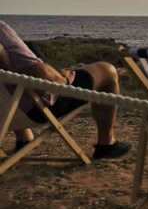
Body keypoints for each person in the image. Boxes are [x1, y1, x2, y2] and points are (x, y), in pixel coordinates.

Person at [0, 21, 132, 159]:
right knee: (107, 70)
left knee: (20, 59)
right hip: (35, 110)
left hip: (6, 115)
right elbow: (50, 80)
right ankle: (107, 144)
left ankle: (24, 138)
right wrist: (67, 77)